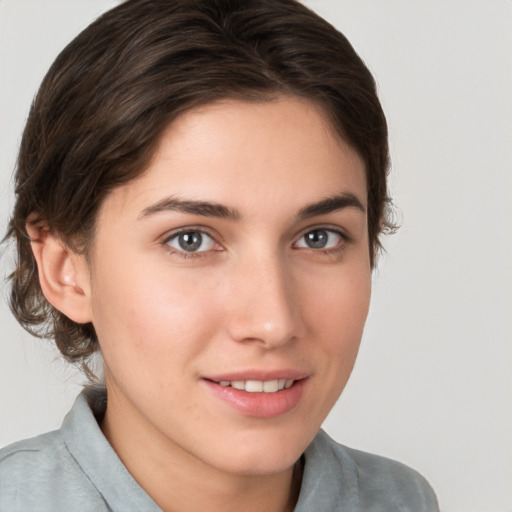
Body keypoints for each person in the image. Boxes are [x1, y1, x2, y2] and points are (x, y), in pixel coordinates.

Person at [0, 0, 439, 510]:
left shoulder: (402, 501)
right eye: (191, 239)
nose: (273, 322)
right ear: (65, 270)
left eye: (318, 237)